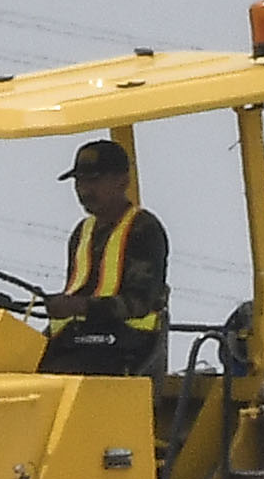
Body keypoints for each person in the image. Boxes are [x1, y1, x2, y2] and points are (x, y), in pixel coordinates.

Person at [40, 138, 168, 375]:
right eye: (79, 181)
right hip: (79, 339)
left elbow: (140, 302)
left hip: (125, 346)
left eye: (94, 180)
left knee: (51, 378)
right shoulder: (82, 232)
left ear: (122, 181)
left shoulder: (143, 228)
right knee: (10, 361)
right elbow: (79, 289)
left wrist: (80, 306)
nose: (84, 190)